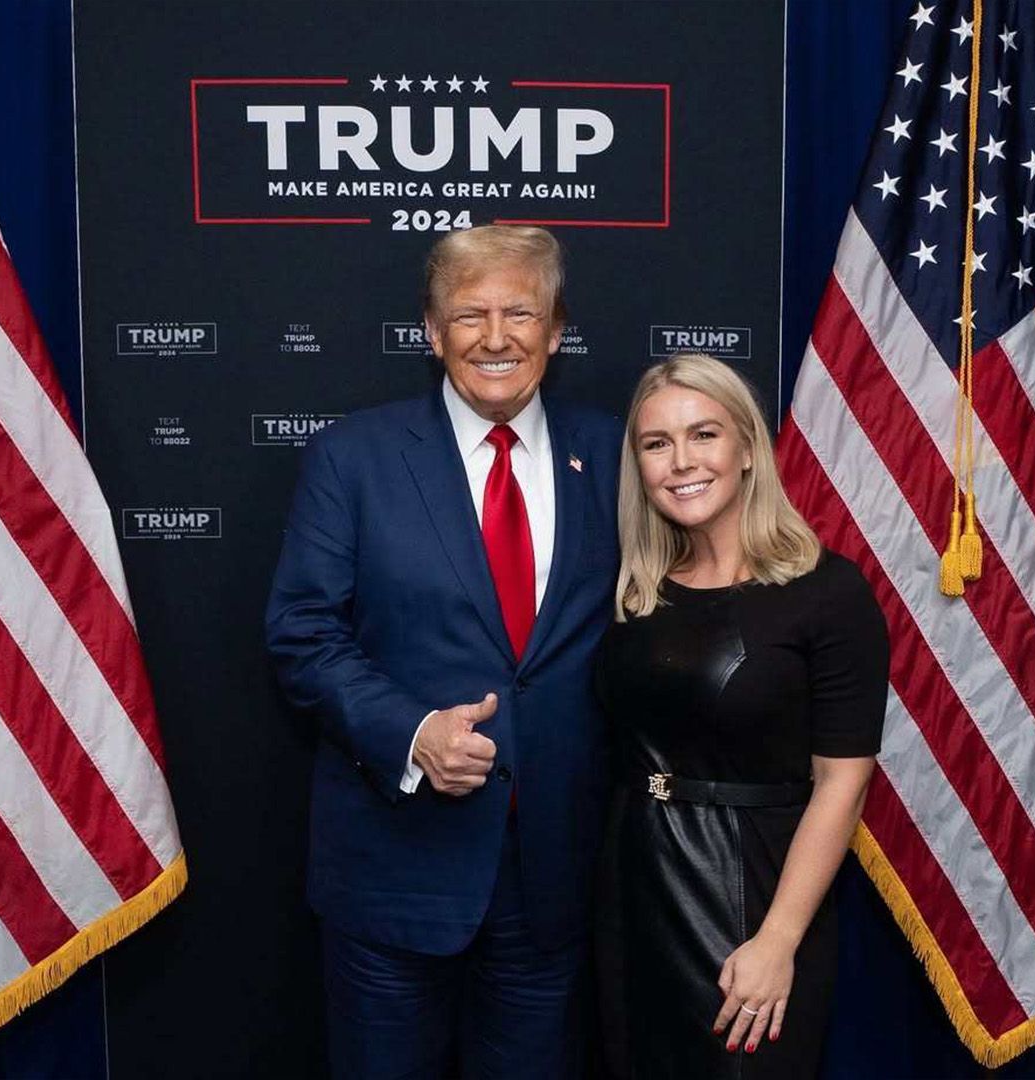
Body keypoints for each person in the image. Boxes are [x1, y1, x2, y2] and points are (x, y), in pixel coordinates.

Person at [265, 225, 623, 1078]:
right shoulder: (353, 458)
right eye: (469, 315)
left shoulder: (617, 455)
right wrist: (413, 730)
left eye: (520, 312)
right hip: (394, 870)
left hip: (554, 878)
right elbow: (302, 633)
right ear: (431, 332)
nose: (496, 337)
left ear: (557, 328)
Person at [592, 353, 889, 1078]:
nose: (680, 462)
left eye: (704, 435)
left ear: (749, 449)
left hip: (751, 895)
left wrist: (778, 940)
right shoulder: (639, 593)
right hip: (634, 890)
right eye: (656, 444)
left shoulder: (827, 592)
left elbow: (842, 783)